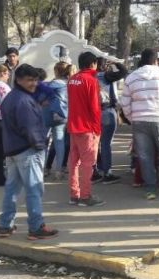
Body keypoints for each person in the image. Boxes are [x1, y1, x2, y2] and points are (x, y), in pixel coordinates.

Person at [0, 64, 58, 240]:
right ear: (18, 80)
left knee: (12, 189)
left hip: (13, 149)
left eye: (35, 79)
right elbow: (30, 129)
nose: (33, 83)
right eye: (29, 80)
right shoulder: (24, 101)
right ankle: (36, 226)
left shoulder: (12, 97)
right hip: (28, 150)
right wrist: (40, 145)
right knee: (34, 189)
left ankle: (5, 225)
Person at [120, 49, 159, 200]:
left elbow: (125, 103)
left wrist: (131, 117)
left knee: (145, 156)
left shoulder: (131, 77)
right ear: (156, 61)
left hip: (139, 120)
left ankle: (150, 189)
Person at [66, 52, 106, 207]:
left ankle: (74, 194)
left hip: (73, 126)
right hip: (87, 127)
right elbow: (95, 108)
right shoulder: (91, 80)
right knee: (87, 163)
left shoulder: (72, 80)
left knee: (74, 162)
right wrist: (97, 129)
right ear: (93, 63)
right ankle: (85, 196)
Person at [94, 58, 128, 185]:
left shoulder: (91, 77)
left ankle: (96, 171)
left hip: (94, 112)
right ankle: (107, 172)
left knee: (95, 144)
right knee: (106, 143)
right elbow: (124, 71)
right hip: (107, 111)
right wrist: (116, 63)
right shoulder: (107, 76)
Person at [45, 62, 73, 181]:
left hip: (48, 114)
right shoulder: (70, 84)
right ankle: (58, 170)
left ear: (56, 71)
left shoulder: (54, 83)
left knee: (44, 141)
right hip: (63, 115)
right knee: (60, 143)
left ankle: (44, 168)